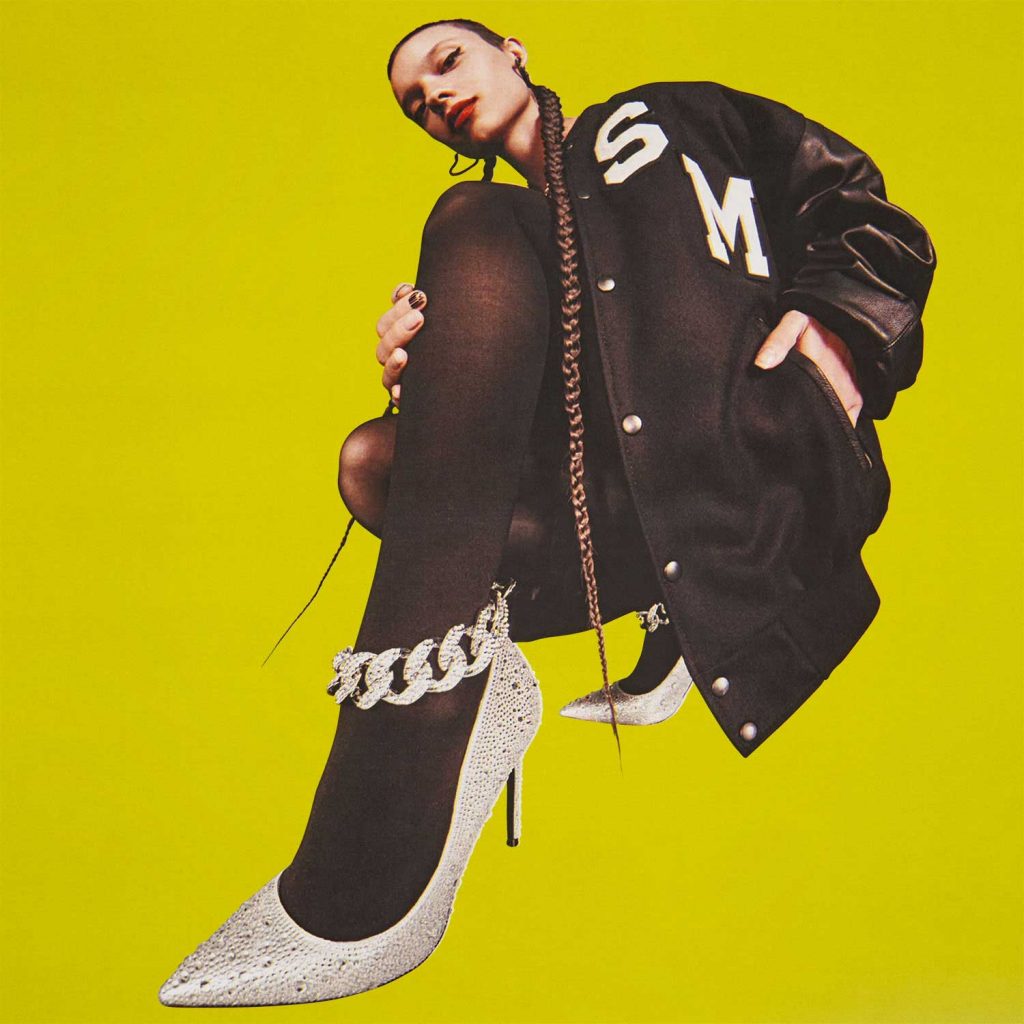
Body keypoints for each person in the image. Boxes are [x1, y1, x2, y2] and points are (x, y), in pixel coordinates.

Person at [158, 18, 936, 1008]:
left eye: (447, 63)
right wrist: (435, 374)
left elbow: (855, 200)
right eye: (416, 104)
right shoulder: (518, 244)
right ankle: (477, 675)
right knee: (374, 460)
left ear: (513, 51)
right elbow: (549, 429)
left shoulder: (657, 119)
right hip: (633, 501)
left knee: (473, 221)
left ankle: (397, 782)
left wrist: (839, 328)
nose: (436, 98)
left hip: (754, 458)